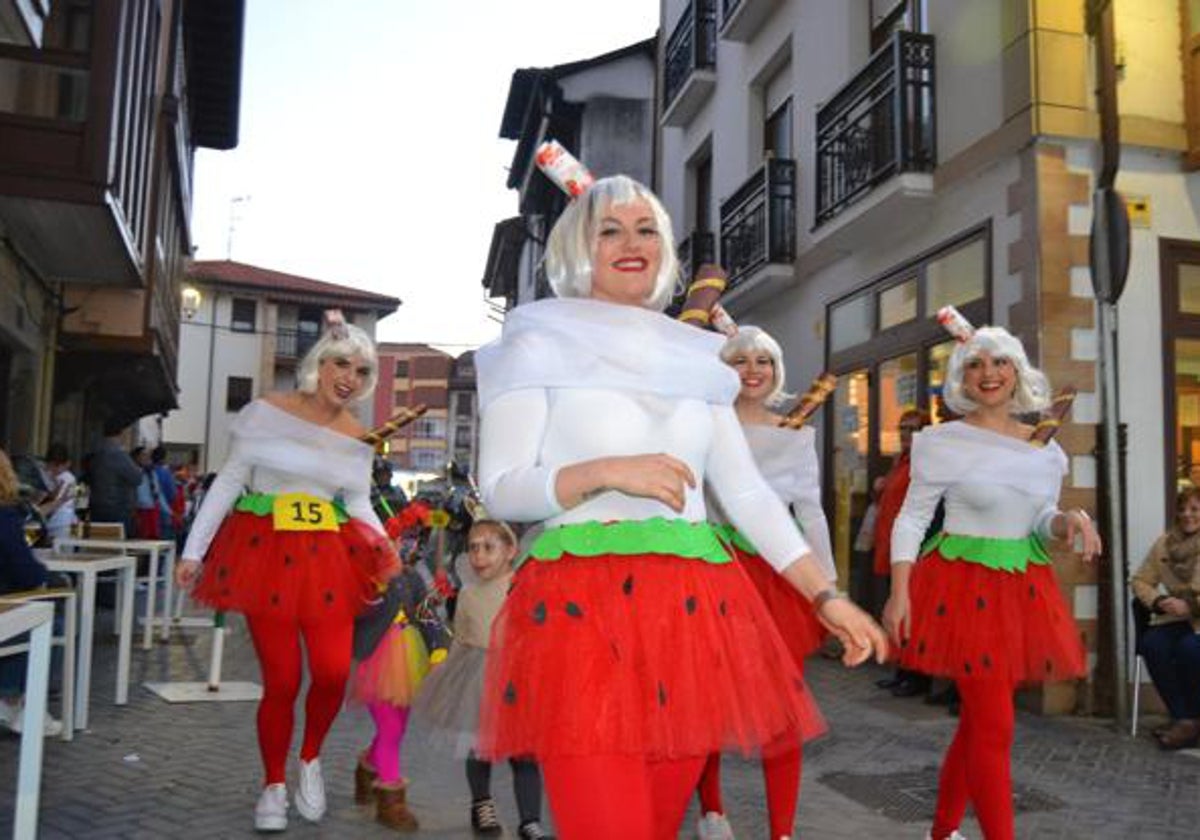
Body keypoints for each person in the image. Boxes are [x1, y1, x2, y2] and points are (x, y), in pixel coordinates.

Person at [475, 175, 887, 840]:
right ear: (580, 246)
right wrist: (607, 472)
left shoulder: (696, 357)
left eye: (646, 230)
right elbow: (499, 486)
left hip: (692, 618)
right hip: (581, 613)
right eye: (610, 229)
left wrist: (825, 595)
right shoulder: (537, 342)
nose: (631, 243)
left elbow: (746, 492)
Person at [175, 321, 401, 833]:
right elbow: (230, 480)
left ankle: (311, 758)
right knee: (281, 680)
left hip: (330, 559)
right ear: (318, 363)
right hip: (265, 555)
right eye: (340, 363)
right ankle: (273, 784)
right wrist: (195, 549)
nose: (348, 377)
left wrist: (386, 548)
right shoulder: (266, 413)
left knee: (332, 673)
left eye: (361, 370)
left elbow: (357, 500)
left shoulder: (357, 436)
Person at [883, 323, 1101, 840]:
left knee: (981, 723)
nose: (989, 374)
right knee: (996, 725)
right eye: (976, 364)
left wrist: (1066, 521)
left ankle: (941, 830)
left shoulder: (1046, 447)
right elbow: (911, 519)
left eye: (1000, 362)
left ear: (1017, 372)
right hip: (960, 591)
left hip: (1020, 589)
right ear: (962, 375)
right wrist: (899, 592)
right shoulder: (941, 441)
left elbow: (1039, 518)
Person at [693, 326, 836, 840]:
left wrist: (829, 589)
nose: (753, 369)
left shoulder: (797, 432)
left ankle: (783, 831)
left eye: (764, 361)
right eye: (740, 360)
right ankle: (712, 810)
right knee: (707, 699)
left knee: (784, 708)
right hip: (716, 572)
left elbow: (811, 511)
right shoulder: (703, 428)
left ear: (776, 371)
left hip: (780, 579)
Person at [413, 518, 553, 840]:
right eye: (473, 548)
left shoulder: (526, 588)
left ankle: (530, 820)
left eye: (489, 547)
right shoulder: (467, 595)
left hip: (520, 678)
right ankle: (481, 803)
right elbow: (461, 636)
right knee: (478, 747)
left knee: (525, 753)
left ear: (510, 551)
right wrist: (443, 663)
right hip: (477, 677)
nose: (479, 555)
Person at [350, 538, 448, 831]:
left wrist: (438, 646)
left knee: (397, 729)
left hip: (410, 657)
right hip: (373, 661)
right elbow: (351, 614)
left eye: (401, 544)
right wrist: (371, 591)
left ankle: (367, 766)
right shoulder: (361, 577)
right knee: (390, 729)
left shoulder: (412, 577)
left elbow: (425, 615)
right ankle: (391, 801)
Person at [1130, 486, 1200, 750]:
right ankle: (1185, 718)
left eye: (1195, 509)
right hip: (1178, 619)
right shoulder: (1165, 543)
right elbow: (1140, 580)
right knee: (1153, 643)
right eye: (1182, 509)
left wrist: (1191, 606)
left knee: (1189, 649)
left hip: (1196, 617)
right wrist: (1159, 602)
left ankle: (1191, 719)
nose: (1187, 515)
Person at [0, 447, 63, 737]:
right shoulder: (6, 517)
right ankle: (22, 704)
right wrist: (47, 578)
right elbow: (25, 571)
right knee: (54, 620)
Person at [873, 409, 934, 699]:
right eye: (903, 429)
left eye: (913, 429)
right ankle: (901, 671)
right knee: (895, 612)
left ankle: (917, 677)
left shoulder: (924, 464)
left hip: (913, 554)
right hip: (891, 547)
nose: (906, 435)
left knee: (913, 616)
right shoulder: (900, 462)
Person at [87, 419, 141, 534]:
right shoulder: (119, 455)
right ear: (120, 433)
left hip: (96, 505)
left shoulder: (96, 452)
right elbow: (137, 478)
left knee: (99, 542)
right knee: (117, 544)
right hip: (118, 507)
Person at [39, 442, 78, 541]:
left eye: (57, 466)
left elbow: (55, 501)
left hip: (64, 523)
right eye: (50, 465)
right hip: (55, 523)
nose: (53, 469)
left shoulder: (67, 478)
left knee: (63, 551)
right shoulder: (48, 476)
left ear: (67, 464)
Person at [132, 446, 161, 539]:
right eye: (143, 455)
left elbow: (158, 493)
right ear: (136, 457)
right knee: (140, 536)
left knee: (152, 537)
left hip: (152, 509)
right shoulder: (133, 472)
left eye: (148, 455)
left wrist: (169, 512)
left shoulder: (151, 473)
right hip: (139, 509)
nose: (147, 458)